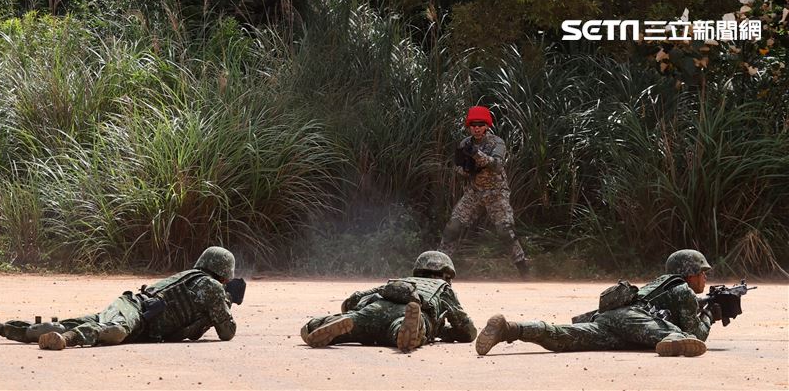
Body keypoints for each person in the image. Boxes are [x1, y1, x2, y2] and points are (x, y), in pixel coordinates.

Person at [0, 246, 239, 350]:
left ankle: (3, 329)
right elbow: (227, 332)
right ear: (224, 273)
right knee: (115, 331)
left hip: (131, 308)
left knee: (69, 323)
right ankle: (67, 339)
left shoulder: (191, 277)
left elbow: (187, 332)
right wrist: (225, 303)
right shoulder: (213, 288)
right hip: (136, 313)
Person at [475, 249, 716, 357]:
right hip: (633, 318)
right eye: (703, 272)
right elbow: (696, 334)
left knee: (563, 337)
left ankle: (510, 329)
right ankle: (672, 341)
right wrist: (710, 314)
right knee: (681, 336)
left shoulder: (660, 284)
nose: (705, 278)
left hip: (611, 320)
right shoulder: (682, 289)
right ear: (690, 273)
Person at [300, 251, 477, 352]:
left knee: (356, 323)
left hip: (377, 307)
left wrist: (353, 309)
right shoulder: (443, 288)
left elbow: (353, 300)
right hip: (410, 312)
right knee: (406, 327)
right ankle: (408, 329)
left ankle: (315, 325)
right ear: (446, 275)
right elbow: (466, 331)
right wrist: (445, 332)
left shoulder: (402, 282)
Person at [440, 105, 529, 277]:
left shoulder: (496, 142)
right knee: (453, 227)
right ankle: (439, 267)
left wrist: (477, 155)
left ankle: (523, 269)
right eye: (473, 125)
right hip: (474, 192)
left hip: (496, 192)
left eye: (480, 124)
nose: (477, 128)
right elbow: (457, 168)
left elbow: (497, 165)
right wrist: (466, 170)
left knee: (505, 231)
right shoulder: (464, 144)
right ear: (469, 126)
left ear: (487, 126)